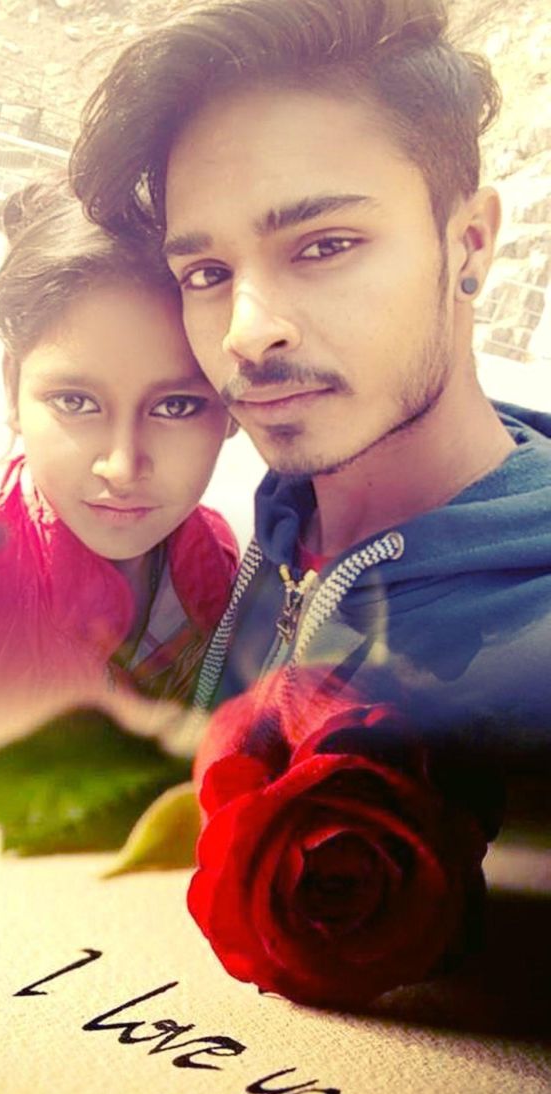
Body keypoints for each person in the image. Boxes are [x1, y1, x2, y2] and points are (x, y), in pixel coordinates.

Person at [70, 0, 551, 766]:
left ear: (469, 245)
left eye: (324, 246)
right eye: (207, 273)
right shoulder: (280, 534)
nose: (244, 331)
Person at [0, 179, 238, 742]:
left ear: (233, 403)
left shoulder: (222, 562)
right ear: (12, 388)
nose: (122, 466)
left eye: (177, 406)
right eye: (76, 402)